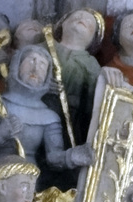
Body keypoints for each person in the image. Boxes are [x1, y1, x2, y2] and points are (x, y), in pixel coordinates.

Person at [0, 44, 93, 202]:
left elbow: (53, 158)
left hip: (31, 184)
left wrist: (72, 156)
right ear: (16, 66)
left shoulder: (48, 116)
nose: (36, 67)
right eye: (31, 60)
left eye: (43, 64)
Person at [44, 8, 104, 145]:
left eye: (89, 22)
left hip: (69, 123)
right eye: (77, 16)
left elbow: (93, 105)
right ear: (62, 24)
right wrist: (41, 85)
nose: (82, 19)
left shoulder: (91, 65)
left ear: (93, 38)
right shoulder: (42, 47)